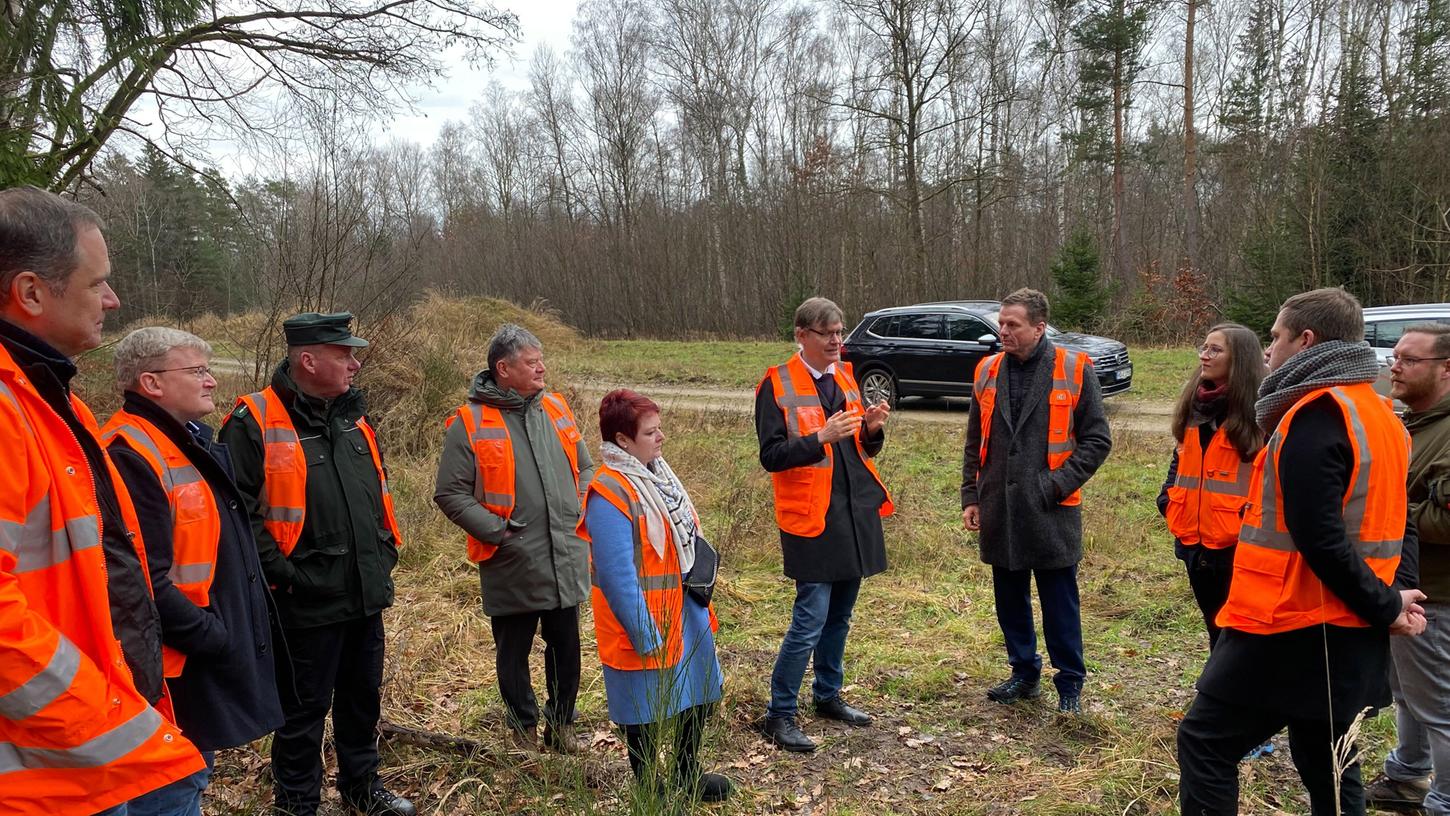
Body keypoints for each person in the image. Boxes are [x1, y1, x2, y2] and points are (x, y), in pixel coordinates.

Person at [1176, 287, 1427, 816]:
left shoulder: (1313, 415)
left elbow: (1321, 539)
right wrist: (1395, 599)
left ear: (1305, 340)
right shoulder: (1382, 415)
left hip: (1288, 624)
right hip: (1350, 630)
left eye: (1275, 338)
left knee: (1205, 742)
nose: (1267, 352)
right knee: (1328, 759)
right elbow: (1399, 523)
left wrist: (1388, 605)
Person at [0, 185, 203, 815]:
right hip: (55, 771)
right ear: (31, 293)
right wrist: (103, 718)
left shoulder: (57, 405)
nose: (114, 300)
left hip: (95, 748)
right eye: (97, 284)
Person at [220, 312, 414, 816]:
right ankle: (298, 803)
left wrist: (385, 554)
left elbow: (378, 496)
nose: (355, 363)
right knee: (303, 711)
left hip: (364, 593)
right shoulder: (254, 422)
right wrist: (289, 578)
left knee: (361, 698)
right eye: (344, 353)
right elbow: (238, 516)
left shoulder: (354, 418)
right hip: (303, 602)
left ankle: (361, 787)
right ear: (308, 359)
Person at [102, 327, 286, 814]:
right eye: (197, 371)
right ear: (152, 383)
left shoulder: (182, 440)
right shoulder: (129, 452)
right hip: (170, 668)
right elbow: (138, 580)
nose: (210, 381)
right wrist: (213, 635)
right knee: (172, 786)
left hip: (192, 656)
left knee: (187, 777)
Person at [434, 323, 594, 753]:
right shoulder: (469, 422)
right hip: (512, 558)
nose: (541, 367)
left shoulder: (557, 409)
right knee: (514, 652)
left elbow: (587, 467)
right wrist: (497, 532)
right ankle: (522, 732)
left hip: (565, 552)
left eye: (541, 359)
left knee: (567, 646)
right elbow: (449, 492)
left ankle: (561, 727)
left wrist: (579, 506)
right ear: (503, 369)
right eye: (530, 361)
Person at [960, 287, 1112, 714]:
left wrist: (1054, 485)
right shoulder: (987, 370)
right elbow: (975, 441)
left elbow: (1097, 440)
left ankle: (1070, 685)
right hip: (998, 509)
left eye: (1013, 324)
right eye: (1001, 323)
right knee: (1009, 599)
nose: (1003, 331)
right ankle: (1024, 674)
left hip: (1051, 511)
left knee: (1059, 602)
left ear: (1039, 327)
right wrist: (971, 496)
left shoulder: (1074, 368)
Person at [577, 389, 731, 803]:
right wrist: (644, 633)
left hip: (686, 609)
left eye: (659, 427)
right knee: (643, 710)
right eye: (650, 431)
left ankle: (685, 772)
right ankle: (649, 786)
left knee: (698, 694)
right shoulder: (609, 492)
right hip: (642, 620)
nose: (660, 437)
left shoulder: (659, 475)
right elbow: (615, 575)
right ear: (623, 440)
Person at [754, 296, 893, 753]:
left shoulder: (848, 377)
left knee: (840, 618)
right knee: (809, 620)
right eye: (826, 333)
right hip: (810, 520)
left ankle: (828, 696)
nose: (836, 340)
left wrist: (872, 429)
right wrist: (820, 438)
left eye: (840, 331)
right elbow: (771, 457)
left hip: (852, 517)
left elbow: (862, 452)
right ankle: (779, 714)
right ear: (801, 335)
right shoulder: (775, 385)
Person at [1363, 323, 1450, 816]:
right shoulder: (1412, 421)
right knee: (1408, 693)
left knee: (1440, 707)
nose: (1394, 365)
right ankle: (1408, 776)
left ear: (1446, 368)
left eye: (1409, 360)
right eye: (1394, 356)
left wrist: (1383, 507)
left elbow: (1442, 519)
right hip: (1405, 588)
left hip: (1438, 593)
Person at [1157, 324, 1266, 651]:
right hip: (1194, 540)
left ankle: (1228, 695)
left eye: (1215, 349)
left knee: (1240, 635)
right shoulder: (1195, 404)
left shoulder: (1261, 412)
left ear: (1240, 359)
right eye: (1204, 347)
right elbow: (1181, 457)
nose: (1204, 355)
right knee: (1216, 628)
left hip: (1239, 546)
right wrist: (1167, 497)